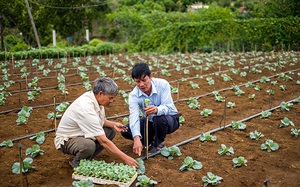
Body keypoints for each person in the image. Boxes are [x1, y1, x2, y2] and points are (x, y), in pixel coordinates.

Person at [54, 77, 138, 168]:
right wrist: (125, 158)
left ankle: (86, 159)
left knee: (110, 131)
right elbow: (103, 141)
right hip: (67, 139)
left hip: (81, 133)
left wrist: (113, 124)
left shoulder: (95, 99)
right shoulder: (85, 108)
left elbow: (99, 121)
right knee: (88, 146)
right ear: (101, 94)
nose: (112, 101)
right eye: (110, 98)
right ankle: (77, 164)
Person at [121, 62, 180, 156]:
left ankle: (159, 143)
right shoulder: (134, 95)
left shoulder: (162, 84)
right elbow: (134, 116)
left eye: (144, 80)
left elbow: (169, 107)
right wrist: (136, 138)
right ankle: (149, 141)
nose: (141, 84)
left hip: (169, 120)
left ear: (150, 76)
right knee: (126, 130)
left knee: (159, 118)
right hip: (151, 122)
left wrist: (157, 110)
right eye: (137, 82)